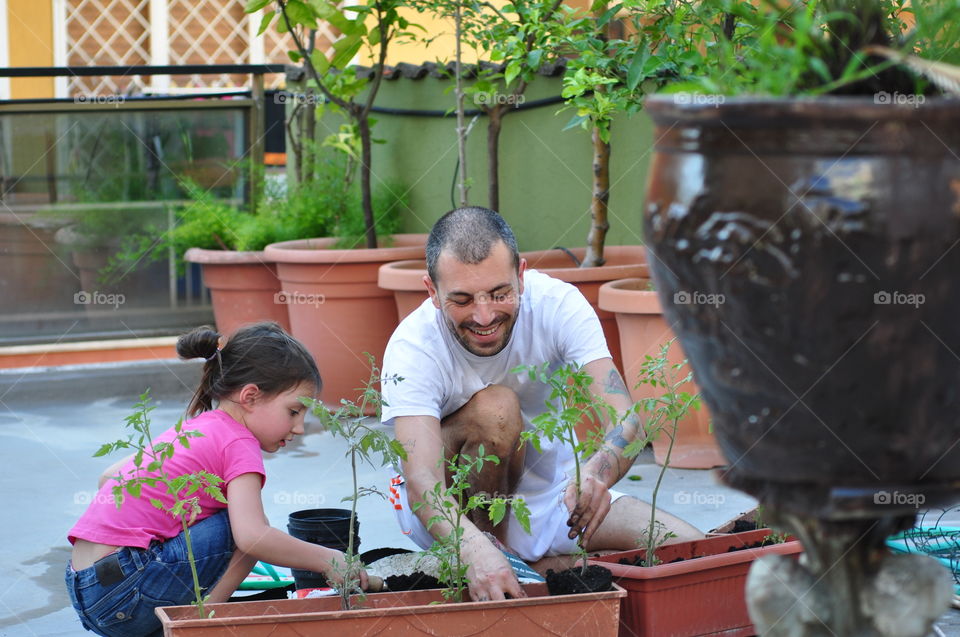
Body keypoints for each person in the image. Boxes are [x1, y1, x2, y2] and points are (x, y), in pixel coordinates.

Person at [381, 207, 703, 601]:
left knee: (687, 549)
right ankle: (493, 553)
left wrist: (599, 473)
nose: (484, 316)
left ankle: (532, 572)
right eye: (462, 300)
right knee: (496, 409)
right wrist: (473, 550)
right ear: (432, 291)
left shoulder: (559, 305)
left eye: (499, 293)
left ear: (521, 274)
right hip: (451, 512)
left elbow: (626, 418)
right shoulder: (413, 347)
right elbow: (421, 483)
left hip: (553, 497)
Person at [65, 322, 370, 637]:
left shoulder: (196, 427)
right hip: (129, 594)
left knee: (231, 520)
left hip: (83, 588)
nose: (300, 428)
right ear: (250, 396)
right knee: (250, 532)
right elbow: (252, 538)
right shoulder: (239, 443)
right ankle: (203, 624)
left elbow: (109, 477)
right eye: (294, 411)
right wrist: (330, 559)